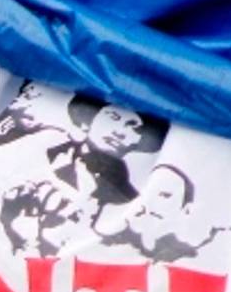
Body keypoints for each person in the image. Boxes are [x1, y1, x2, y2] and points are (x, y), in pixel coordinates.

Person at [45, 95, 167, 226]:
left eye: (135, 128)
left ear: (138, 142)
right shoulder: (44, 153)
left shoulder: (127, 200)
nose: (120, 132)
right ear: (87, 121)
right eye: (113, 118)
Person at [97, 163, 231, 263]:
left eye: (165, 196)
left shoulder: (190, 258)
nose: (151, 202)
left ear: (186, 209)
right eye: (149, 193)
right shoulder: (107, 244)